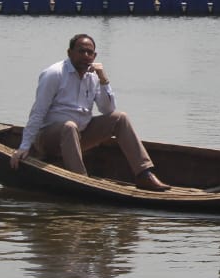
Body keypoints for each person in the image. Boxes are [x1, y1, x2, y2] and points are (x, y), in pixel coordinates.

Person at [10, 33, 172, 191]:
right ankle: (81, 180)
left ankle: (144, 174)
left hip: (79, 137)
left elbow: (108, 110)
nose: (86, 56)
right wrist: (24, 146)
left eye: (90, 52)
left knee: (120, 118)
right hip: (48, 139)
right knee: (69, 126)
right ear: (69, 53)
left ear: (95, 56)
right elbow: (37, 111)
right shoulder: (54, 74)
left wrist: (104, 80)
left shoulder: (94, 76)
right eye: (81, 51)